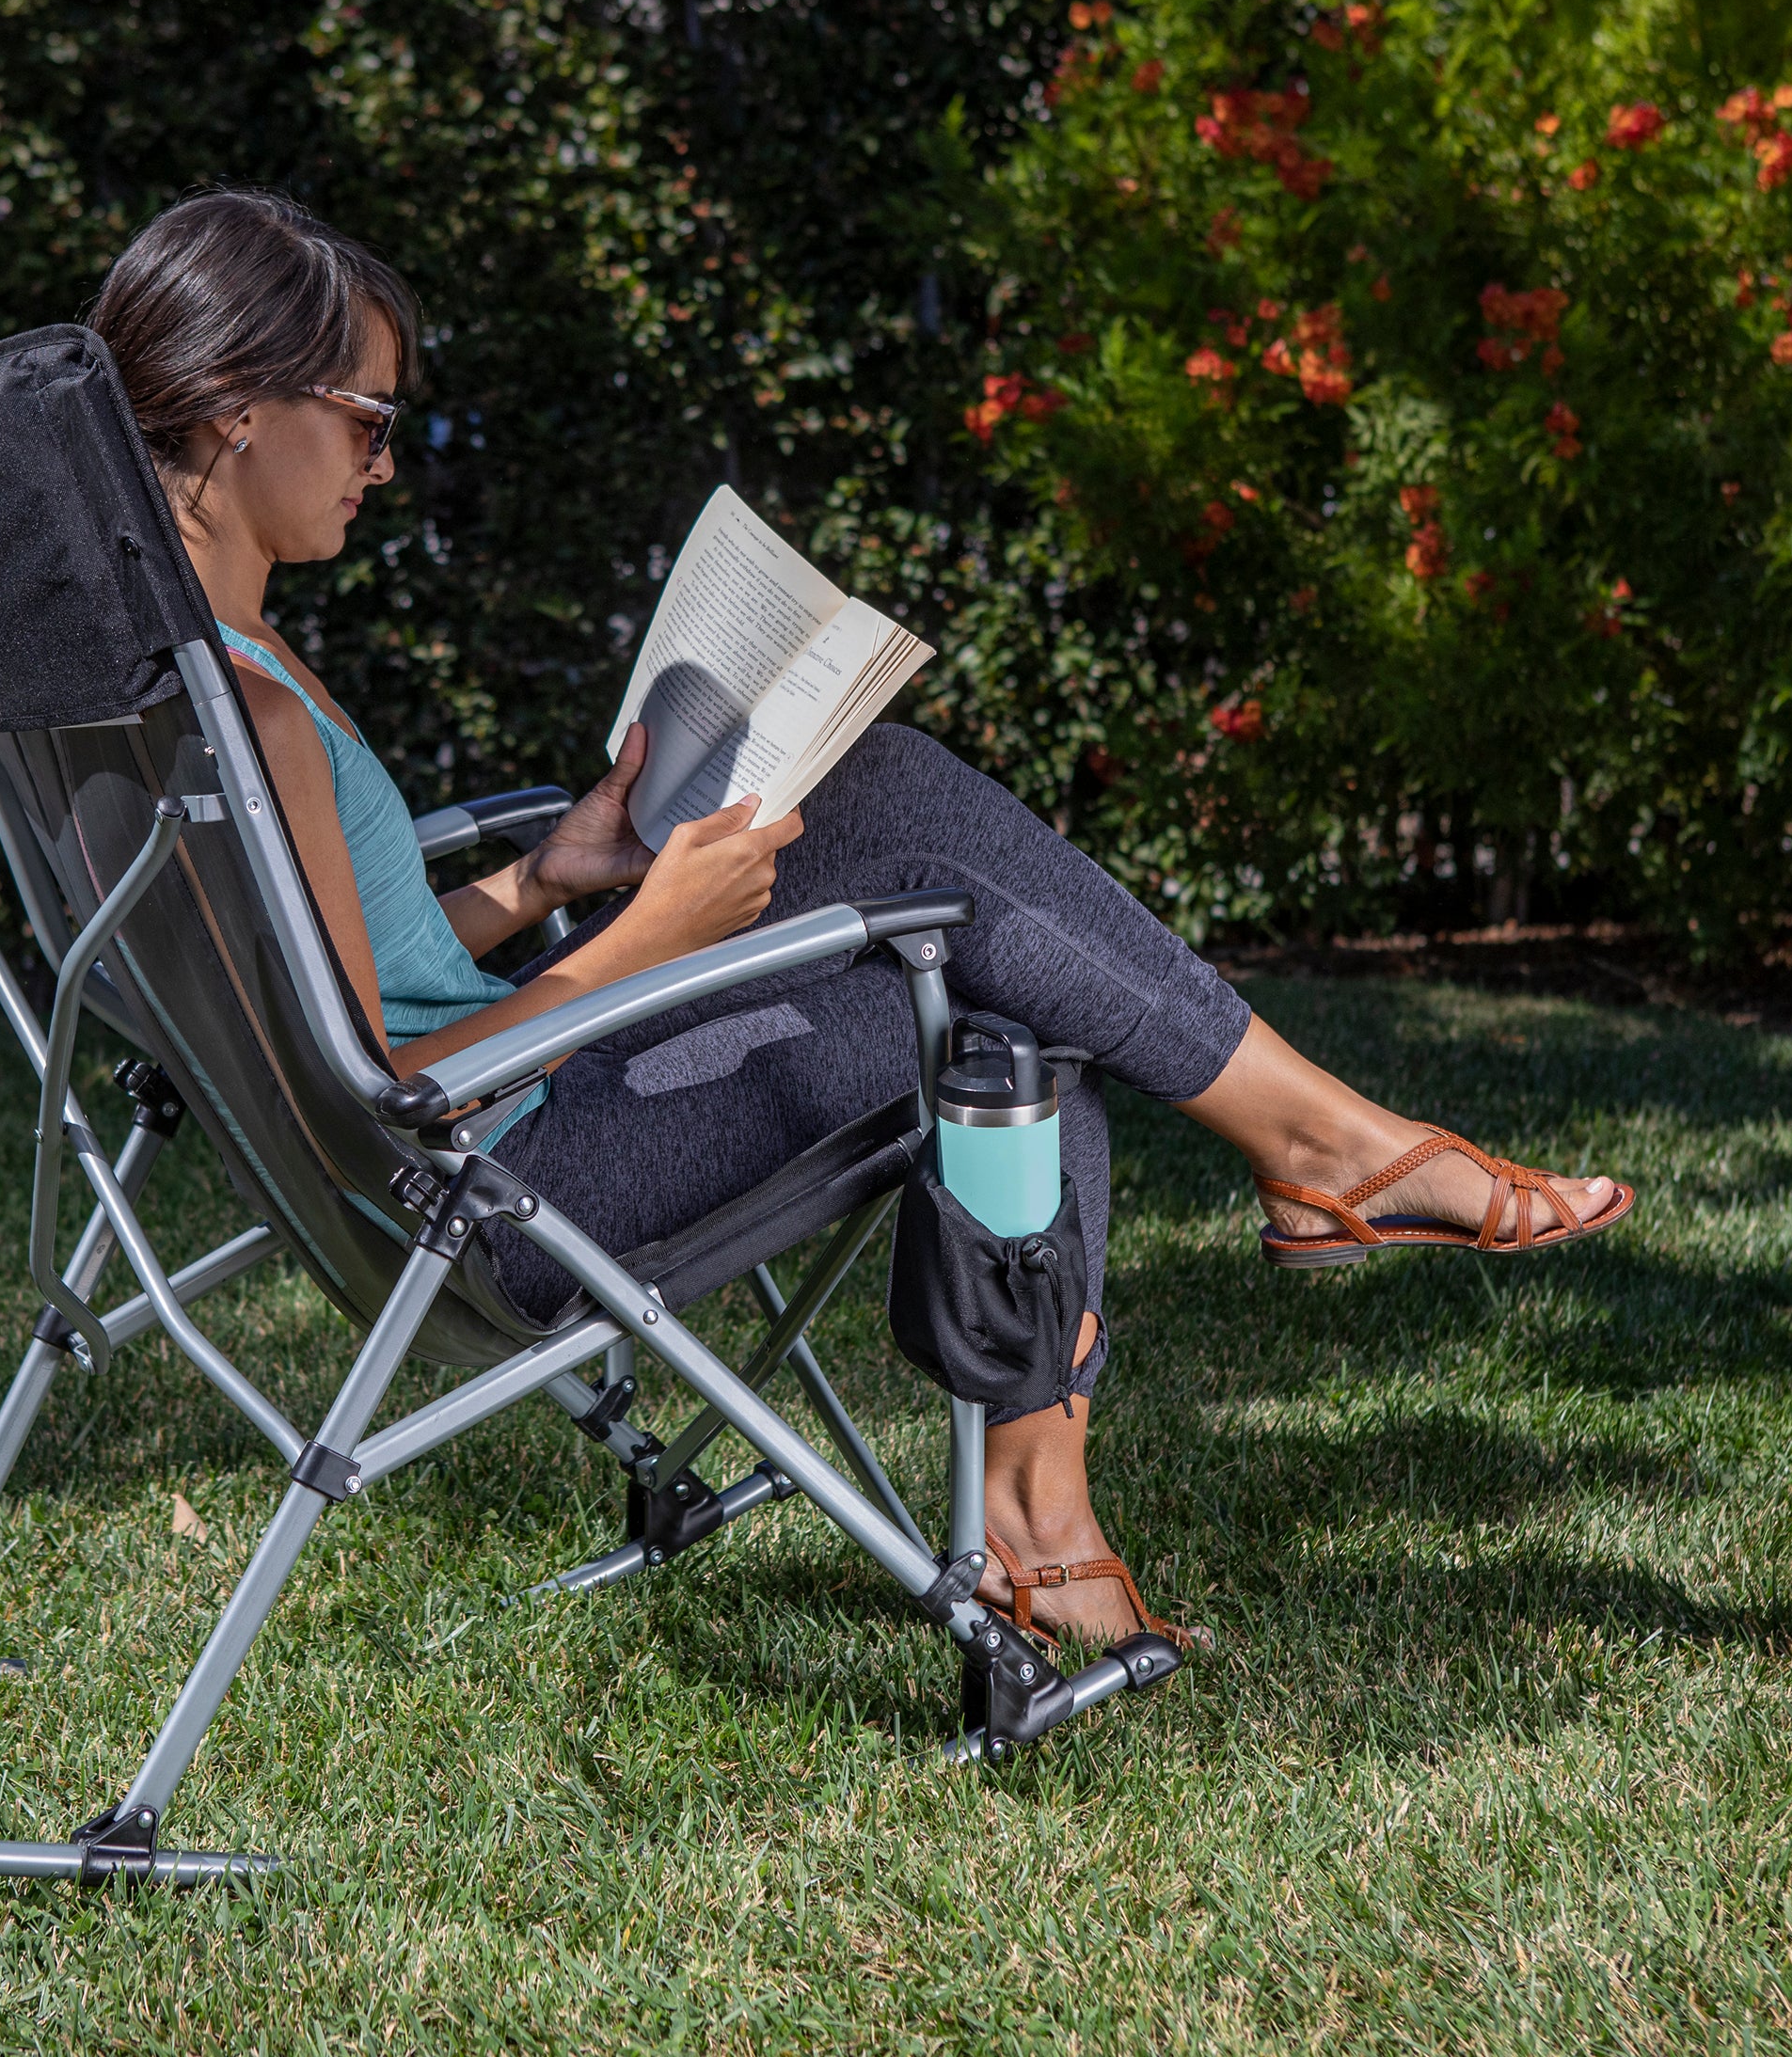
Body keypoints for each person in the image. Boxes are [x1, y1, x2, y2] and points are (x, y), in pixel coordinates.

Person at [87, 190, 1632, 1651]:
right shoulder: (249, 716)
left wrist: (556, 881)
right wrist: (653, 938)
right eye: (366, 417)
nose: (386, 460)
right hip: (506, 1196)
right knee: (988, 976)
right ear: (236, 407)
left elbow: (343, 979)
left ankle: (1201, 1318)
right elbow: (378, 1092)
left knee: (936, 876)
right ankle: (1238, 1269)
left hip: (474, 1157)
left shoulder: (177, 685)